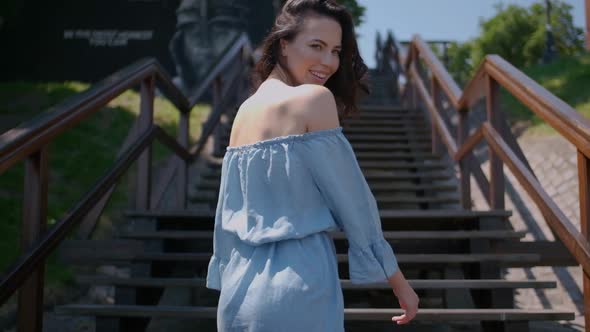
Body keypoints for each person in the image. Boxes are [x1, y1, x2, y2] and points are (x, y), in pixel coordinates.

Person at [205, 0, 419, 330]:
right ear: (283, 43)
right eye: (316, 46)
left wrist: (221, 271)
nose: (329, 62)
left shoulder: (244, 112)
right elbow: (353, 202)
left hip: (237, 294)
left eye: (335, 50)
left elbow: (226, 212)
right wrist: (399, 283)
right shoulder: (313, 100)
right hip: (298, 287)